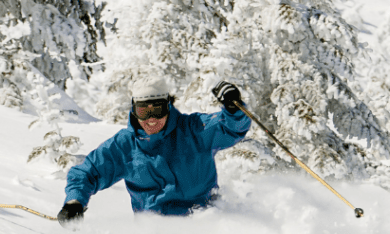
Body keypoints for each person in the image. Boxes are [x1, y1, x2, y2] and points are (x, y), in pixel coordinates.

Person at [57, 77, 250, 224]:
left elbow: (229, 128)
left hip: (205, 221)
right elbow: (88, 173)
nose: (151, 119)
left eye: (157, 110)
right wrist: (75, 202)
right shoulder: (125, 145)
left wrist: (233, 109)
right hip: (156, 231)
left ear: (168, 106)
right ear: (134, 110)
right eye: (143, 111)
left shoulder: (194, 130)